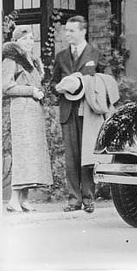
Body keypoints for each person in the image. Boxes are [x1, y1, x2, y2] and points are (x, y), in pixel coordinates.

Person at [51, 15, 102, 213]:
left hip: (88, 111)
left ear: (83, 31)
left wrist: (88, 84)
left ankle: (89, 199)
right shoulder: (61, 56)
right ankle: (74, 200)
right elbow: (53, 82)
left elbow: (106, 80)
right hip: (67, 111)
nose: (67, 34)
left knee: (87, 155)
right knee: (71, 157)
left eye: (71, 31)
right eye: (66, 31)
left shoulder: (95, 54)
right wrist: (60, 88)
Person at [2, 27, 52, 212]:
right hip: (21, 111)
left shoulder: (33, 61)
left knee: (32, 154)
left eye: (32, 38)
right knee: (23, 153)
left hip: (33, 112)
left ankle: (24, 198)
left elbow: (37, 84)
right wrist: (31, 91)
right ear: (16, 41)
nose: (30, 42)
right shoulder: (11, 59)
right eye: (26, 39)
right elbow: (6, 87)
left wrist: (39, 91)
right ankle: (13, 200)